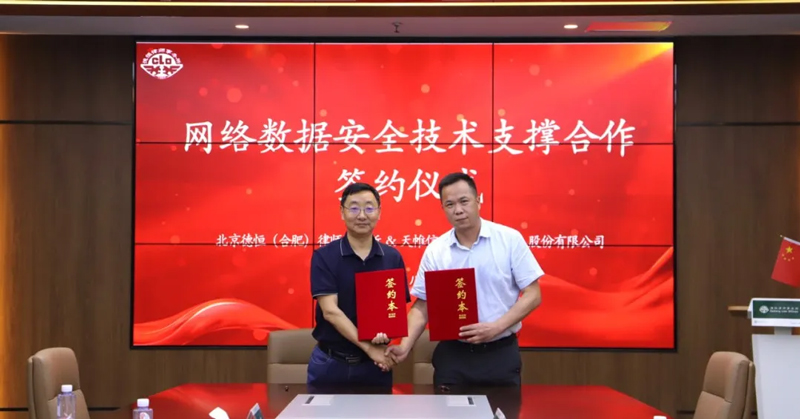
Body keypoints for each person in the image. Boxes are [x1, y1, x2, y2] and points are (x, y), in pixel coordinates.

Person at [386, 172, 544, 387]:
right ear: (443, 208)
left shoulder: (509, 240)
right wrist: (404, 346)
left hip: (500, 352)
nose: (458, 210)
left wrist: (496, 327)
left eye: (464, 201)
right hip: (454, 355)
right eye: (449, 204)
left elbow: (533, 294)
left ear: (478, 200)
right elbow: (423, 305)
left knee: (503, 407)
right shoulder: (436, 251)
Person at [308, 182, 410, 389]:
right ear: (342, 212)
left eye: (369, 208)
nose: (362, 215)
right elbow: (330, 312)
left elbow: (394, 310)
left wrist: (386, 335)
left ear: (379, 212)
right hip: (331, 363)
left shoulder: (392, 257)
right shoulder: (325, 257)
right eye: (354, 208)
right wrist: (370, 348)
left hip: (374, 365)